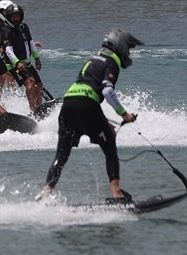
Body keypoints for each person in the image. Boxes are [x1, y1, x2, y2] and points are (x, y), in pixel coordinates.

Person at [38, 29, 143, 202]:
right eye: (128, 48)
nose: (129, 52)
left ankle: (45, 195)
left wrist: (104, 121)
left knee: (61, 156)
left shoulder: (94, 59)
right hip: (86, 104)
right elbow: (108, 91)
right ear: (121, 46)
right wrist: (124, 115)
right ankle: (117, 194)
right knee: (110, 142)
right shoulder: (111, 61)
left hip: (68, 105)